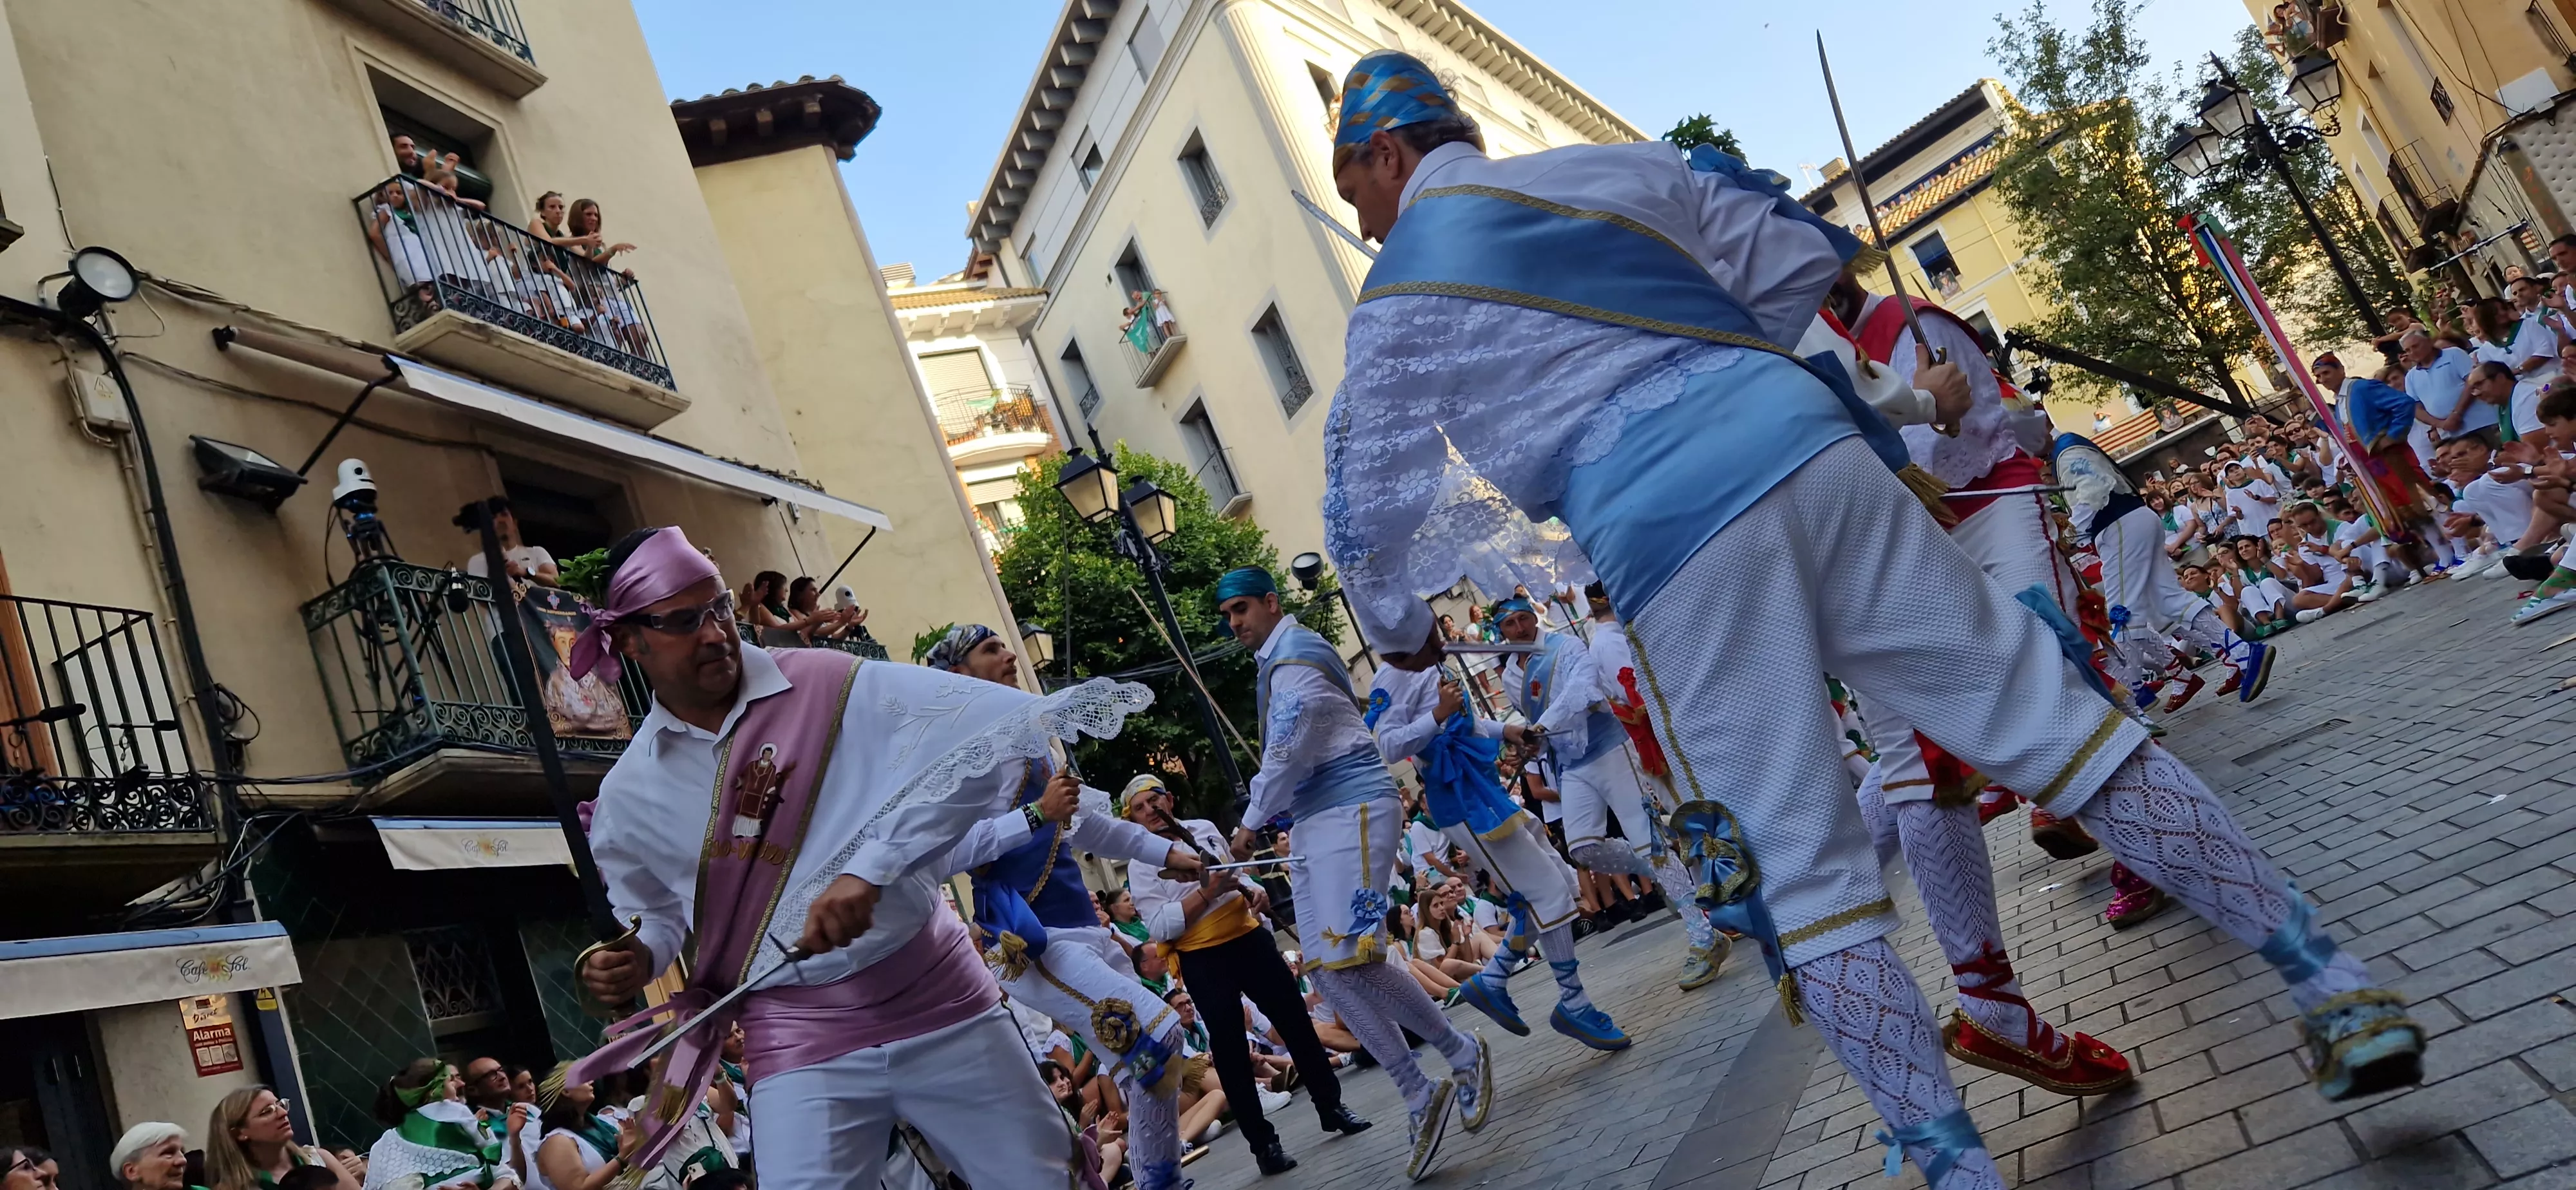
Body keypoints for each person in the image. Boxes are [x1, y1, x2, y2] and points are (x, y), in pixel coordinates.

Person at [1317, 52, 2422, 1187]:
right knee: (2059, 724)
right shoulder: (1621, 171)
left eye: (1355, 189)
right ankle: (2332, 981)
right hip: (1814, 451)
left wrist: (1403, 647)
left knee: (1806, 873)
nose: (1361, 220)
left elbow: (1361, 519)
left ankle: (1955, 1166)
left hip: (1671, 543)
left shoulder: (1400, 299)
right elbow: (1794, 257)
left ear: (1388, 150)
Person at [567, 526, 1153, 1188]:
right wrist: (635, 960)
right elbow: (659, 917)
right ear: (629, 640)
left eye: (719, 609)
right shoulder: (628, 795)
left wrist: (872, 867)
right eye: (682, 620)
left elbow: (990, 740)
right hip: (796, 1035)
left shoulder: (829, 684)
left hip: (938, 994)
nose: (712, 633)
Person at [1215, 565, 1491, 1181]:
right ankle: (1423, 1086)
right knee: (1330, 975)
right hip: (1319, 821)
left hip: (1355, 809)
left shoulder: (1294, 657)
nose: (1234, 623)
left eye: (1242, 610)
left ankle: (1453, 1056)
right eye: (1227, 615)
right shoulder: (1279, 661)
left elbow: (1287, 747)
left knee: (1353, 959)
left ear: (1270, 601)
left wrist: (1250, 819)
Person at [915, 621, 1209, 1190]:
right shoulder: (958, 760)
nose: (1007, 655)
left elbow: (1090, 827)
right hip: (1034, 941)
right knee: (1160, 1035)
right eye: (990, 649)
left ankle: (1156, 1177)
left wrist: (1172, 852)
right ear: (958, 674)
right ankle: (1157, 1180)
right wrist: (1034, 814)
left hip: (1085, 930)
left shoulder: (1032, 739)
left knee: (1147, 1064)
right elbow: (946, 853)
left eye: (1004, 644)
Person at [1367, 614, 1643, 1044]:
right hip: (1461, 801)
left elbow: (1468, 726)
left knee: (1557, 884)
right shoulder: (1392, 676)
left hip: (1484, 793)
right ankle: (1573, 1004)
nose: (1443, 640)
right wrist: (1438, 714)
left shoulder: (1433, 664)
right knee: (1547, 893)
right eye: (1432, 635)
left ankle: (1493, 980)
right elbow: (1387, 743)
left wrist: (1511, 730)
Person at [1119, 772, 1368, 1174]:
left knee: (1295, 1022)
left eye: (1155, 800)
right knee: (1232, 1050)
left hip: (1248, 939)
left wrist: (1253, 888)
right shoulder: (1141, 862)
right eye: (1140, 808)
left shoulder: (1202, 829)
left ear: (1170, 800)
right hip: (1204, 956)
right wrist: (1208, 893)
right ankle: (1264, 1145)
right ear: (1132, 820)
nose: (1151, 811)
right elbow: (1161, 926)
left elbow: (1235, 874)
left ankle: (1332, 1105)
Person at [1484, 594, 1718, 994]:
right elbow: (1538, 725)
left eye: (1525, 619)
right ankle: (1662, 869)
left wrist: (1541, 727)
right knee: (1583, 850)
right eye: (1511, 624)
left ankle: (1704, 937)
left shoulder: (1567, 646)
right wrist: (1530, 743)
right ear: (1500, 631)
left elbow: (1584, 689)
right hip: (1571, 765)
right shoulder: (1509, 676)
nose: (1521, 629)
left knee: (1648, 844)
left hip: (1610, 750)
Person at [361, 1061, 516, 1190]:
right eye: (450, 1081)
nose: (460, 1084)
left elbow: (506, 1175)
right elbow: (506, 1174)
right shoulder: (457, 1114)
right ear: (433, 1091)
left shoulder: (385, 1145)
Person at [205, 1087, 358, 1190]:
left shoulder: (318, 1158)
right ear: (239, 1133)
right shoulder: (232, 1187)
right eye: (267, 1112)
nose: (283, 1113)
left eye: (280, 1105)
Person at [462, 501, 558, 587]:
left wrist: (525, 572)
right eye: (494, 517)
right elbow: (480, 597)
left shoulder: (537, 552)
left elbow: (557, 582)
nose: (500, 521)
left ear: (515, 523)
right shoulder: (478, 560)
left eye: (504, 515)